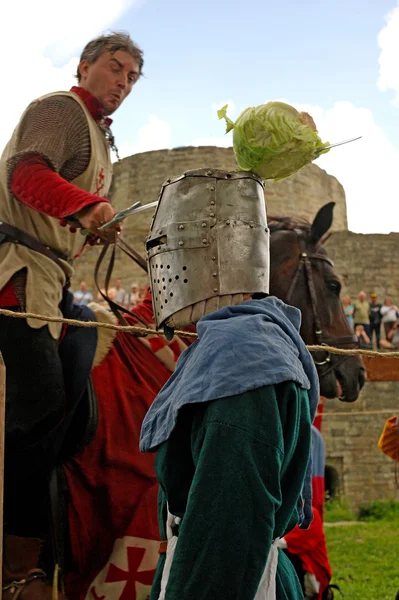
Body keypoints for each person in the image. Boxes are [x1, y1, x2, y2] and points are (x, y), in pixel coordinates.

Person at [0, 31, 144, 598]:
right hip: (15, 272)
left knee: (81, 413)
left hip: (55, 281)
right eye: (115, 68)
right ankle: (15, 566)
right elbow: (25, 176)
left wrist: (95, 222)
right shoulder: (58, 110)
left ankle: (57, 536)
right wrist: (87, 207)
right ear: (85, 66)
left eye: (132, 77)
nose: (123, 83)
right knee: (38, 404)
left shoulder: (102, 143)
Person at [139, 168, 319, 599]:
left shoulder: (242, 359)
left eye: (165, 248)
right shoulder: (244, 342)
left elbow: (227, 529)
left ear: (204, 252)